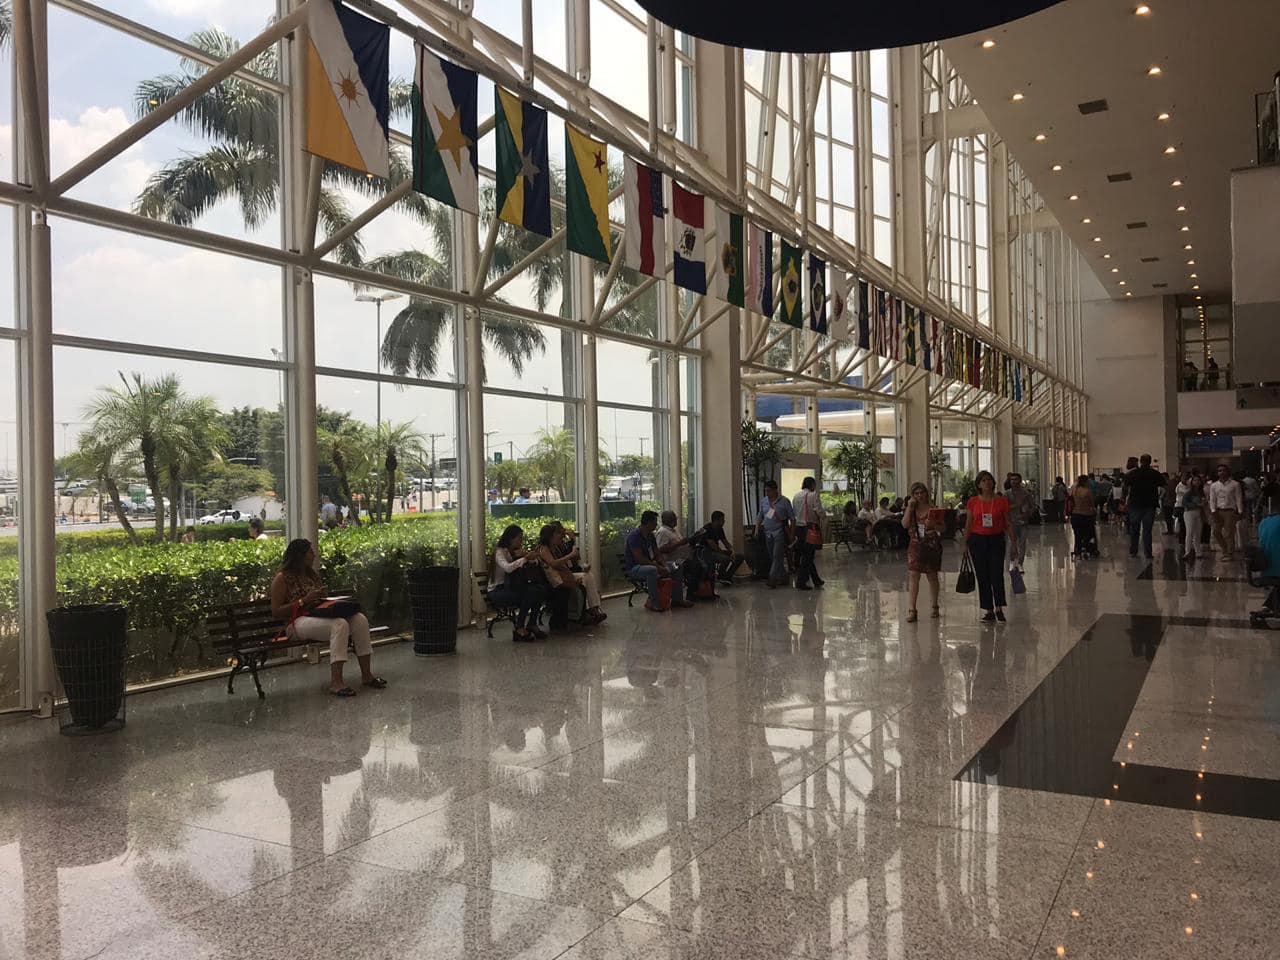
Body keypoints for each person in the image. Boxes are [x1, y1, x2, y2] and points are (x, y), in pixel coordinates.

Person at [270, 538, 384, 697]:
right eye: (310, 552)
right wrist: (304, 600)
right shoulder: (282, 578)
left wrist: (322, 597)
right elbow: (276, 611)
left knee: (359, 620)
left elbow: (316, 601)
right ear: (300, 555)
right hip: (295, 623)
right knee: (339, 624)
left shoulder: (311, 575)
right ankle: (336, 682)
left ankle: (367, 675)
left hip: (316, 616)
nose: (314, 555)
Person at [965, 470, 1015, 623]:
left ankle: (999, 606)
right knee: (982, 575)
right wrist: (965, 542)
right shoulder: (973, 502)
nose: (987, 483)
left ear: (993, 483)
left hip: (996, 540)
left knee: (996, 574)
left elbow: (1007, 523)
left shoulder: (1001, 501)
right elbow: (969, 523)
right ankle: (988, 610)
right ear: (979, 484)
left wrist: (1014, 542)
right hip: (977, 540)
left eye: (989, 480)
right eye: (983, 480)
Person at [538, 523, 606, 626]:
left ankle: (594, 609)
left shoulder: (556, 547)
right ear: (550, 535)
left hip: (563, 575)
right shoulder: (544, 549)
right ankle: (586, 613)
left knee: (588, 576)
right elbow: (553, 563)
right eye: (558, 533)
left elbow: (568, 563)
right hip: (555, 579)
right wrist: (571, 554)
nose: (561, 535)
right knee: (583, 578)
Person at [489, 524, 548, 642]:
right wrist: (525, 558)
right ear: (511, 538)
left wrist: (530, 557)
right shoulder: (500, 552)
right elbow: (508, 568)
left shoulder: (515, 552)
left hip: (512, 587)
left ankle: (531, 623)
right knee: (530, 593)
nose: (521, 541)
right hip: (498, 591)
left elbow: (534, 563)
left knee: (539, 590)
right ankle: (519, 627)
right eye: (519, 538)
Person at [625, 510, 692, 610]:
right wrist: (658, 567)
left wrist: (664, 565)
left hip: (651, 564)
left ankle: (677, 599)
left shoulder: (651, 536)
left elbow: (657, 554)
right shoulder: (634, 536)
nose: (656, 525)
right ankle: (654, 602)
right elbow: (640, 559)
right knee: (652, 570)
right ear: (647, 523)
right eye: (654, 522)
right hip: (635, 568)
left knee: (677, 566)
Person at [902, 481, 942, 621]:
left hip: (931, 545)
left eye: (922, 492)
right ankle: (912, 609)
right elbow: (905, 525)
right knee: (913, 575)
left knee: (932, 576)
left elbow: (943, 528)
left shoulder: (933, 509)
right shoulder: (911, 510)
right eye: (916, 493)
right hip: (915, 545)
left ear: (926, 493)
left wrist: (934, 525)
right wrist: (909, 507)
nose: (920, 496)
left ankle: (935, 605)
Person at [754, 480, 795, 588]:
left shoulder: (784, 501)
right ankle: (784, 577)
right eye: (766, 491)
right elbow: (760, 516)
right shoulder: (764, 501)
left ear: (775, 490)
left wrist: (792, 534)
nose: (767, 493)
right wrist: (756, 529)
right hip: (768, 533)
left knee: (777, 556)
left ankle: (772, 579)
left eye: (769, 491)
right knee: (773, 557)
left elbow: (792, 518)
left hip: (779, 532)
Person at [1125, 454, 1165, 559]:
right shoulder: (1155, 474)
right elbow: (1164, 484)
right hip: (1150, 505)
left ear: (1140, 461)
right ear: (1150, 462)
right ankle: (1148, 553)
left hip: (1135, 504)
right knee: (1147, 530)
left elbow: (1125, 486)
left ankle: (1133, 551)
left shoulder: (1132, 474)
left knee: (1135, 529)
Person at [656, 510, 706, 591]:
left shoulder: (674, 530)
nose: (676, 520)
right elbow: (660, 550)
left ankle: (698, 591)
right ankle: (692, 594)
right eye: (674, 518)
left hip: (684, 558)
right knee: (696, 567)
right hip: (674, 561)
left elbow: (682, 544)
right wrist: (679, 544)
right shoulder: (662, 532)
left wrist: (692, 538)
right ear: (668, 520)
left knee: (703, 565)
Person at [791, 476, 826, 590]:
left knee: (807, 555)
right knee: (808, 556)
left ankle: (816, 580)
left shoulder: (796, 496)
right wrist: (823, 516)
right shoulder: (813, 495)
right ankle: (801, 582)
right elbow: (818, 510)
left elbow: (795, 512)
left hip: (799, 528)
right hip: (809, 528)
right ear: (812, 485)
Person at [690, 510, 742, 584]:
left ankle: (727, 577)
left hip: (715, 552)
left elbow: (725, 542)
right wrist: (724, 554)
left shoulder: (720, 529)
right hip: (706, 553)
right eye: (722, 520)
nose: (724, 521)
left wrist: (732, 551)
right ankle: (721, 576)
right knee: (725, 558)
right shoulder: (708, 528)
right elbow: (713, 545)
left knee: (740, 557)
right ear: (716, 520)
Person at [1208, 464, 1243, 560]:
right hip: (1218, 511)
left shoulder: (1235, 484)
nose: (1221, 472)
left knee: (1229, 533)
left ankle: (1229, 554)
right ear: (1217, 473)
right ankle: (1225, 549)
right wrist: (1213, 511)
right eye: (1219, 470)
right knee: (1216, 532)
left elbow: (1238, 498)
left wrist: (1240, 511)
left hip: (1230, 511)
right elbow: (1212, 499)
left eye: (1223, 470)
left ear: (1228, 471)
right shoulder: (1214, 485)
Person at [1006, 473, 1037, 568]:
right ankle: (1012, 562)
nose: (1014, 481)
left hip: (1023, 522)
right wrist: (1016, 505)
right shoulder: (1007, 494)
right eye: (1012, 480)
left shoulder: (1026, 493)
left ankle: (1020, 563)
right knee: (1012, 543)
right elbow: (1004, 508)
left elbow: (1033, 506)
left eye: (1016, 479)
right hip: (1011, 523)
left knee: (1022, 543)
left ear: (1020, 480)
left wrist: (1029, 513)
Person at [1069, 475, 1097, 558]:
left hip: (1075, 515)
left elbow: (1070, 502)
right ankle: (1087, 549)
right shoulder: (1088, 491)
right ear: (1085, 482)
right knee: (1087, 535)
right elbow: (1092, 504)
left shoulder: (1074, 490)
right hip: (1086, 516)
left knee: (1077, 535)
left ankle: (1077, 550)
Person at [1182, 475, 1207, 562]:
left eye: (1198, 481)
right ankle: (1187, 551)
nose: (1197, 482)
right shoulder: (1188, 493)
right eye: (1195, 480)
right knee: (1189, 532)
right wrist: (1196, 505)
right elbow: (1184, 503)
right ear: (1191, 482)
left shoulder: (1201, 493)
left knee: (1198, 533)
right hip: (1189, 513)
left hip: (1198, 513)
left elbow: (1204, 502)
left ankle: (1198, 551)